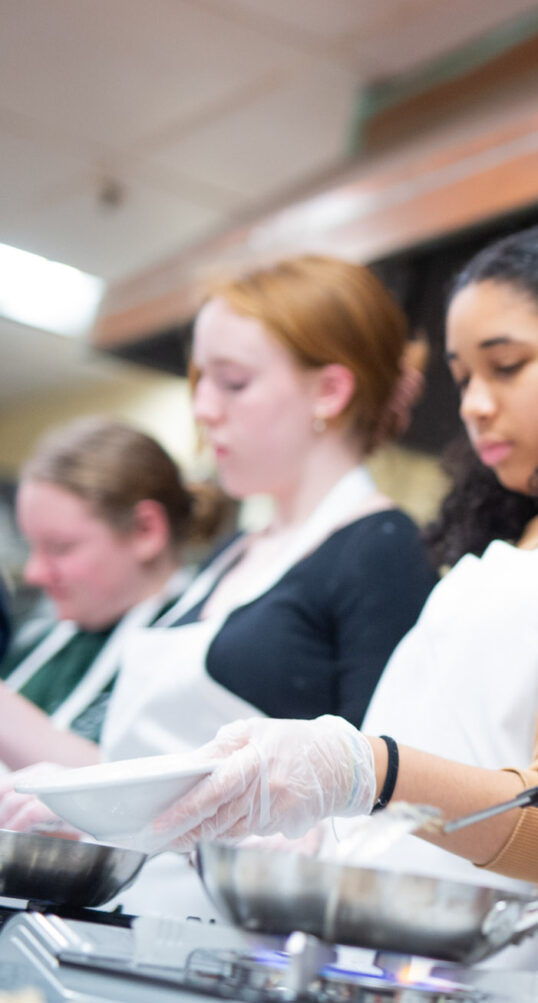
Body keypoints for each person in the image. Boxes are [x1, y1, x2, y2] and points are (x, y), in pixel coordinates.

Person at [147, 223, 538, 1003]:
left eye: (507, 366)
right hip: (414, 987)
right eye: (462, 375)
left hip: (532, 996)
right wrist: (318, 838)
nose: (474, 404)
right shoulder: (521, 540)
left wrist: (373, 772)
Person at [94, 254, 439, 762]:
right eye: (200, 381)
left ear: (329, 391)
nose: (204, 410)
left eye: (232, 382)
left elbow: (390, 789)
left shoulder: (383, 552)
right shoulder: (235, 552)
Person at [0, 417, 225, 769]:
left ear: (146, 531)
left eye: (59, 547)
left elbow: (153, 800)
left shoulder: (202, 654)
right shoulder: (34, 645)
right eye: (33, 548)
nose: (34, 573)